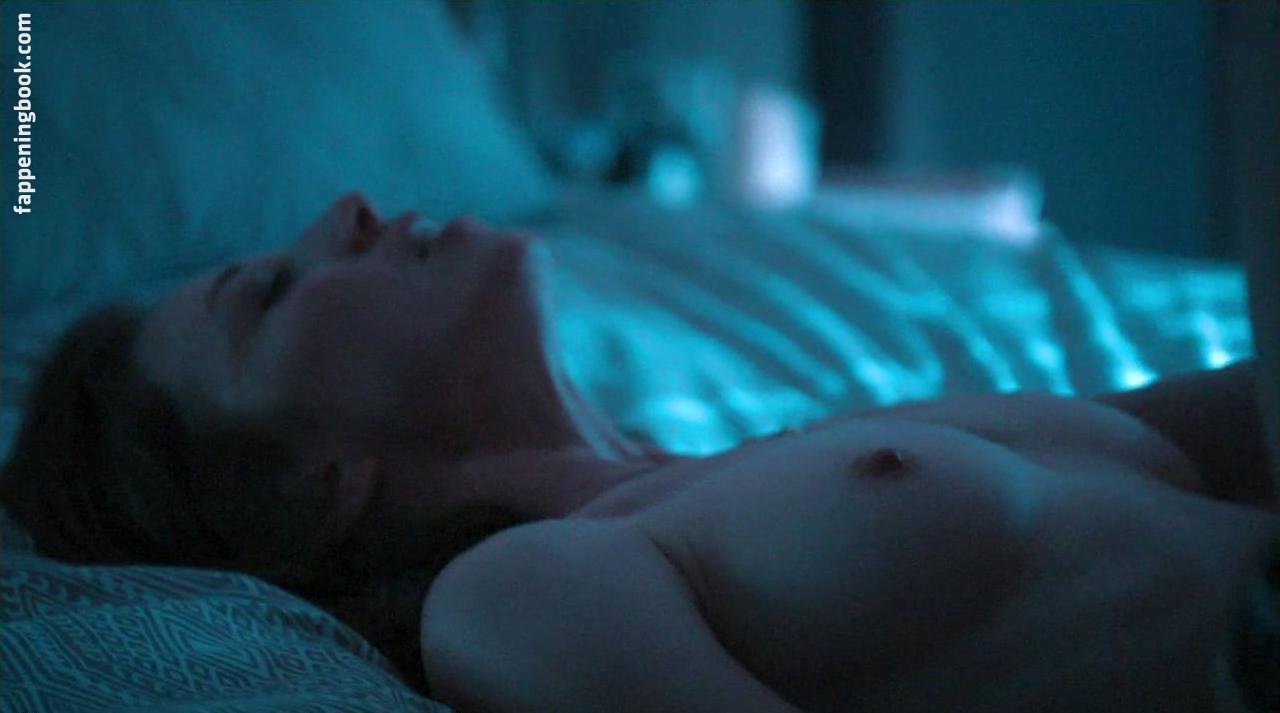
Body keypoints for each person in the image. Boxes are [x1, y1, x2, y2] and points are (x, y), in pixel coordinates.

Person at [1, 192, 1276, 710]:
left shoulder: (784, 455)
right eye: (271, 291)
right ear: (309, 486)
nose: (349, 210)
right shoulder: (522, 587)